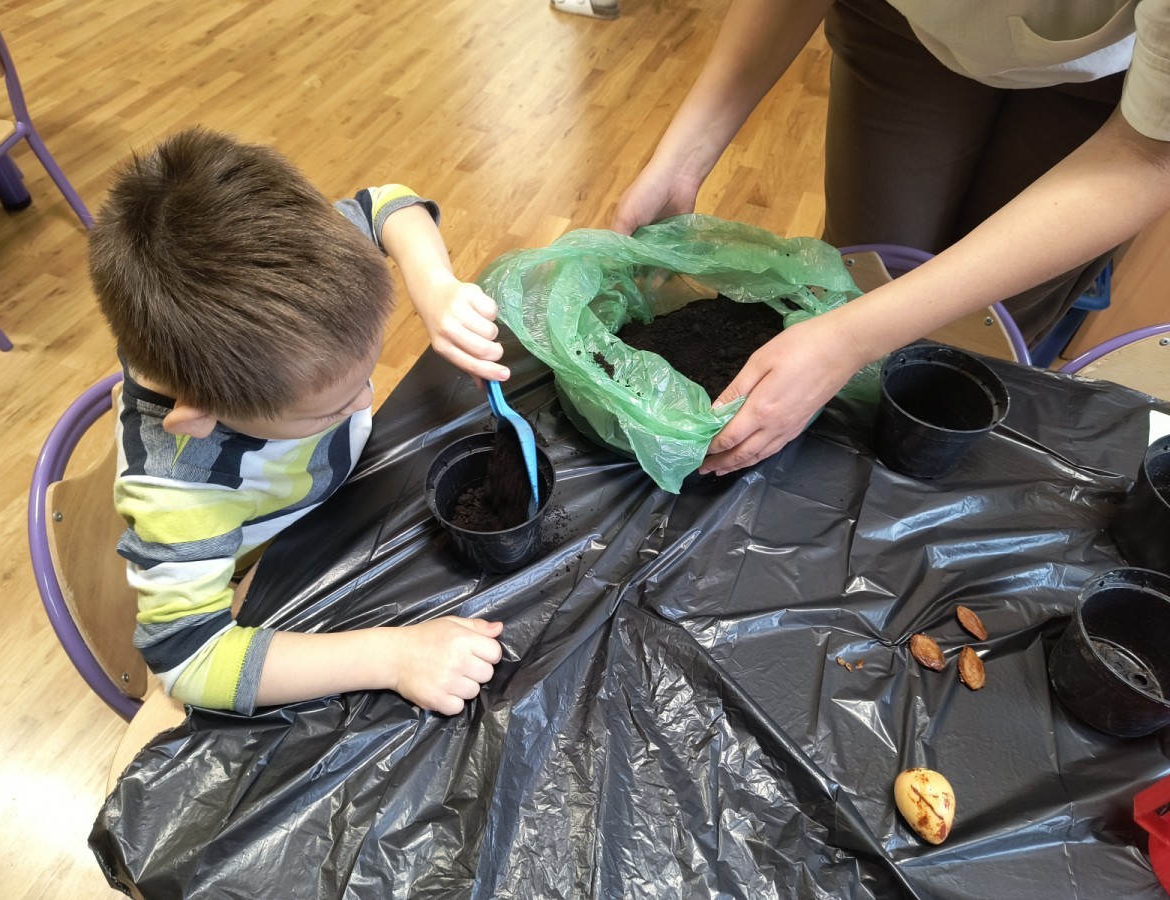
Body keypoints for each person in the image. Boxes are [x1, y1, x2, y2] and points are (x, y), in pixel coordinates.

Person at [612, 0, 1170, 477]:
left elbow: (1148, 155)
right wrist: (681, 163)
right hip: (904, 26)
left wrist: (849, 339)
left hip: (1109, 87)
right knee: (861, 275)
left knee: (978, 336)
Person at [88, 127, 511, 716]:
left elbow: (384, 204)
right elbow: (189, 660)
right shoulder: (181, 490)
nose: (365, 401)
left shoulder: (300, 268)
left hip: (342, 498)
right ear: (202, 419)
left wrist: (435, 287)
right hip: (268, 568)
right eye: (330, 409)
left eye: (364, 376)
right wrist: (393, 658)